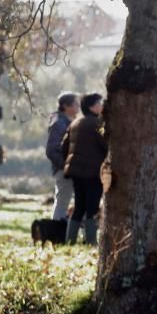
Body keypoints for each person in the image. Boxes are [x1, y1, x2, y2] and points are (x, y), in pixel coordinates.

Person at [61, 93, 107, 245]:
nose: (102, 106)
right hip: (93, 172)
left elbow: (64, 147)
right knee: (92, 207)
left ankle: (70, 241)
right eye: (99, 103)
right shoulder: (97, 124)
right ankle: (91, 241)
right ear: (91, 106)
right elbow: (106, 145)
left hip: (76, 172)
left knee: (79, 206)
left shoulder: (75, 123)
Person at [45, 92, 78, 220]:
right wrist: (65, 166)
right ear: (66, 106)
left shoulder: (70, 121)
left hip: (72, 169)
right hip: (64, 170)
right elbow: (51, 150)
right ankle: (56, 232)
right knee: (62, 202)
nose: (78, 107)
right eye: (75, 104)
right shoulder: (59, 123)